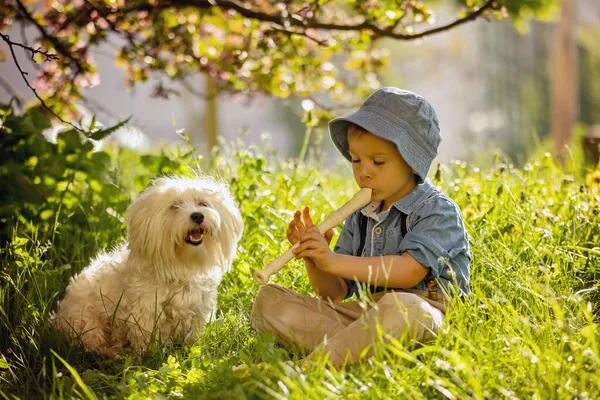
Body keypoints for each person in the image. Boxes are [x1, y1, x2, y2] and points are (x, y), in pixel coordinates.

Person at [251, 87, 471, 367]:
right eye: (356, 159)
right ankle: (359, 349)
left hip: (425, 315)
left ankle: (308, 367)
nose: (363, 171)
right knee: (269, 302)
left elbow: (408, 272)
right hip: (367, 315)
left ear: (412, 162)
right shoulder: (360, 214)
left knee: (403, 309)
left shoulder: (437, 210)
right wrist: (316, 259)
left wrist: (334, 260)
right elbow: (335, 293)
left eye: (378, 161)